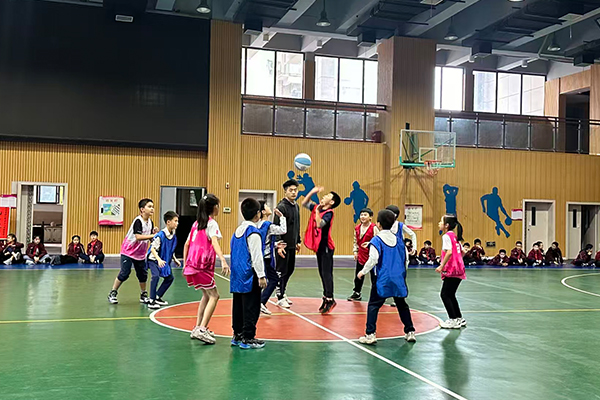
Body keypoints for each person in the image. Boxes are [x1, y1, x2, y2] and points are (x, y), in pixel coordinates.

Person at [357, 209, 416, 345]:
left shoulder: (376, 240)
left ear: (378, 224)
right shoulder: (399, 241)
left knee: (373, 305)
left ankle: (370, 334)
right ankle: (410, 331)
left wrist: (363, 271)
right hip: (398, 278)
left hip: (383, 279)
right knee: (401, 304)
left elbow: (373, 259)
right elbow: (406, 259)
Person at [183, 194, 229, 344]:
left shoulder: (196, 224)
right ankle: (202, 329)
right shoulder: (211, 223)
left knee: (206, 295)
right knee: (215, 296)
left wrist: (185, 264)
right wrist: (223, 260)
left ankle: (197, 327)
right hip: (203, 266)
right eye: (218, 205)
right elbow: (214, 242)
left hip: (192, 265)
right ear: (214, 207)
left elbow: (187, 244)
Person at [230, 198, 267, 349]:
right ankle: (248, 337)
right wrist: (261, 275)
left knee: (238, 305)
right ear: (258, 214)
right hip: (249, 274)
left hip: (237, 273)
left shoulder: (237, 231)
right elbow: (256, 256)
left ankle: (237, 335)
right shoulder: (253, 233)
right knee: (251, 306)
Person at [108, 198, 157, 305]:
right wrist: (153, 235)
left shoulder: (150, 223)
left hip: (140, 253)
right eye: (149, 206)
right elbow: (138, 237)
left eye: (152, 207)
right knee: (125, 273)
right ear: (142, 209)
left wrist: (155, 236)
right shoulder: (138, 221)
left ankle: (143, 294)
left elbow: (149, 237)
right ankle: (113, 293)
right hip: (128, 252)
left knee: (142, 274)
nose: (152, 209)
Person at [302, 185, 341, 314]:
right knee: (322, 273)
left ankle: (330, 298)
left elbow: (319, 224)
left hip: (326, 247)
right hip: (319, 246)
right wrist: (312, 192)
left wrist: (317, 212)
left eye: (327, 196)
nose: (323, 197)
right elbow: (304, 203)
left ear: (332, 202)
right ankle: (326, 296)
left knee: (326, 273)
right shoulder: (317, 208)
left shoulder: (329, 213)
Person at [273, 179, 302, 308]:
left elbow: (297, 225)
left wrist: (298, 241)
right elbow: (276, 226)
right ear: (285, 191)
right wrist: (279, 244)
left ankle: (282, 292)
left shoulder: (296, 206)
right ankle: (279, 297)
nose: (294, 192)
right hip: (283, 246)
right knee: (281, 271)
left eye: (295, 190)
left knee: (290, 269)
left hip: (292, 244)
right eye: (291, 190)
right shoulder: (281, 207)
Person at [436, 215, 467, 329]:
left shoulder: (446, 236)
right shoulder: (455, 236)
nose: (439, 223)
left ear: (446, 225)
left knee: (444, 294)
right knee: (451, 294)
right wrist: (457, 261)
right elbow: (463, 251)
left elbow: (449, 252)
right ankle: (459, 318)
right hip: (459, 268)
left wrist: (442, 265)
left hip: (451, 270)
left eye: (441, 221)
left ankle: (453, 320)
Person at [257, 201, 287, 315]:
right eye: (267, 206)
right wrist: (282, 217)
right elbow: (283, 230)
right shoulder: (268, 225)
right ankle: (261, 302)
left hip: (259, 256)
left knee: (262, 281)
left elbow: (263, 242)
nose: (269, 207)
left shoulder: (257, 224)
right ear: (263, 212)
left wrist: (275, 244)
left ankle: (259, 302)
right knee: (273, 279)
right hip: (266, 258)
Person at [147, 211, 180, 310]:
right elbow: (152, 249)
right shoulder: (160, 235)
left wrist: (174, 259)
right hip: (154, 259)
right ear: (168, 222)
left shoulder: (173, 235)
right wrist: (159, 260)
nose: (177, 223)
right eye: (175, 221)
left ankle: (158, 296)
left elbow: (170, 249)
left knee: (169, 278)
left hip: (163, 260)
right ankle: (151, 300)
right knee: (155, 276)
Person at [348, 208, 378, 301]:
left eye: (365, 215)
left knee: (374, 277)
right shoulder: (357, 228)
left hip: (372, 256)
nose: (363, 217)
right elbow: (355, 241)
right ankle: (357, 292)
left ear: (370, 217)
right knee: (358, 275)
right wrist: (355, 251)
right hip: (361, 255)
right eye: (361, 215)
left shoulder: (374, 228)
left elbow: (378, 241)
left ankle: (377, 295)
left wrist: (370, 244)